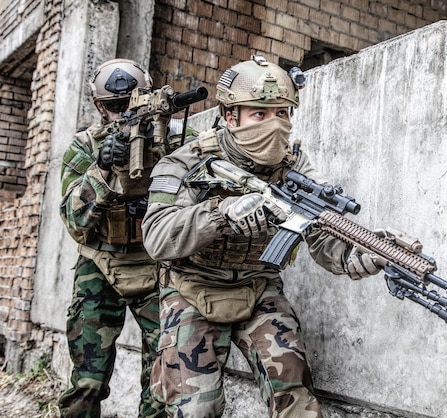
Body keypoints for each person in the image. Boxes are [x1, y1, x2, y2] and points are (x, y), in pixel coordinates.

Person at [141, 55, 382, 418]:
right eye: (260, 114)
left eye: (283, 113)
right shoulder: (185, 162)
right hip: (192, 287)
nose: (276, 125)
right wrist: (219, 213)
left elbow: (321, 233)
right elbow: (157, 237)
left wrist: (357, 255)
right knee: (195, 411)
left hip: (259, 288)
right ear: (229, 116)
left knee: (297, 400)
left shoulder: (294, 168)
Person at [59, 58, 189, 417]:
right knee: (88, 380)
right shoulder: (84, 147)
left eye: (130, 103)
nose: (122, 115)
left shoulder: (176, 138)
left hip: (157, 265)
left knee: (163, 379)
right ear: (99, 107)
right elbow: (74, 221)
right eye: (114, 107)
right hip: (99, 266)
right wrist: (101, 167)